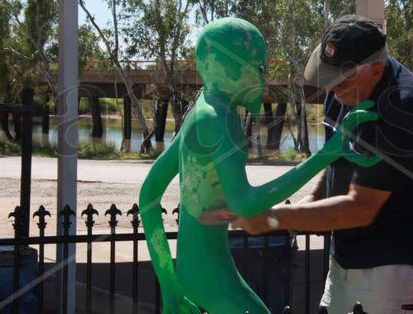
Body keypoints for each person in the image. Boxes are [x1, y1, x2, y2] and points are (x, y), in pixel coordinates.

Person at [139, 17, 380, 314]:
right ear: (228, 68)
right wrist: (326, 154)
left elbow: (149, 193)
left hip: (193, 271)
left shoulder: (200, 110)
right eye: (259, 67)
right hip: (212, 278)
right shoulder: (220, 121)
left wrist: (168, 279)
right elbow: (245, 204)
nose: (264, 79)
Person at [231, 14, 413, 313]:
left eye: (339, 82)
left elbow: (360, 208)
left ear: (375, 70)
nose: (331, 91)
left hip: (393, 268)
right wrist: (308, 203)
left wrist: (275, 218)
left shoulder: (402, 105)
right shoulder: (343, 89)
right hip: (345, 257)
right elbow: (338, 162)